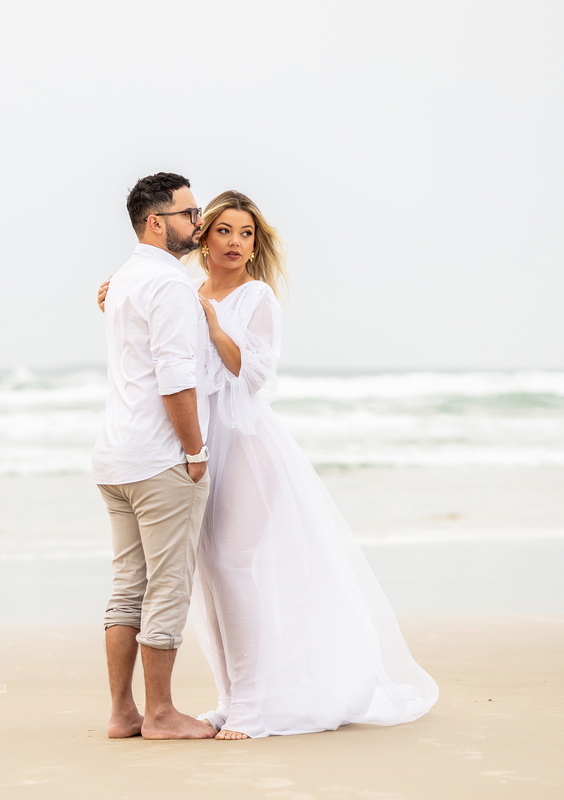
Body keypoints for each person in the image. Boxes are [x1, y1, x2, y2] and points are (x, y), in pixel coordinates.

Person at [98, 190, 438, 740]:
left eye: (247, 234)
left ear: (256, 246)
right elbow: (154, 321)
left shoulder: (257, 298)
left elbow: (254, 377)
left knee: (234, 569)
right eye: (224, 231)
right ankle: (231, 699)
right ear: (203, 239)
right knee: (207, 578)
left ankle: (255, 706)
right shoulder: (185, 289)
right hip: (199, 447)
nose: (236, 242)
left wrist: (213, 328)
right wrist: (116, 292)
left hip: (246, 448)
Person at [91, 172, 216, 740]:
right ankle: (161, 713)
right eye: (189, 214)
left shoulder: (121, 282)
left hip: (115, 458)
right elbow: (174, 380)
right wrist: (195, 449)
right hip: (158, 458)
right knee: (167, 586)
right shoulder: (165, 286)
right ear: (155, 221)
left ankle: (123, 714)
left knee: (128, 587)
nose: (199, 223)